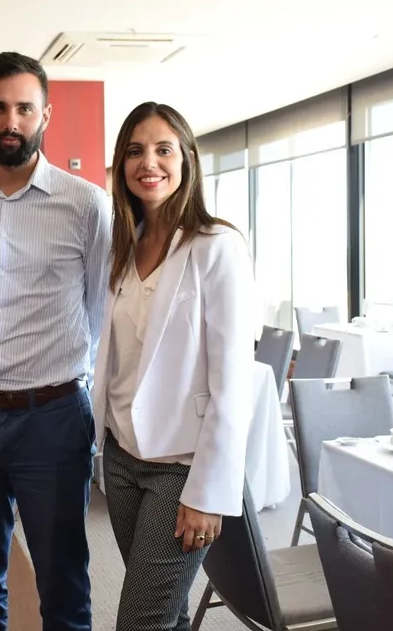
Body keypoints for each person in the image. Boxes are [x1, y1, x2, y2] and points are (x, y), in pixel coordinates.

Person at [0, 51, 112, 631]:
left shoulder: (87, 205)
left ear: (46, 114)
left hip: (52, 419)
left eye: (25, 109)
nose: (12, 121)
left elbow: (99, 311)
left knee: (63, 579)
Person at [90, 102, 255, 631]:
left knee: (139, 622)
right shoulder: (124, 246)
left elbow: (233, 381)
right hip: (120, 457)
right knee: (168, 615)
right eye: (135, 151)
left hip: (180, 469)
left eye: (164, 149)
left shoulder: (217, 247)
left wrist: (209, 492)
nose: (149, 162)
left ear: (186, 158)